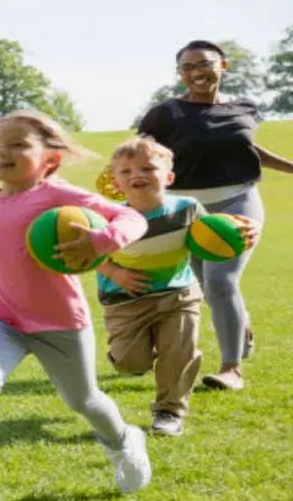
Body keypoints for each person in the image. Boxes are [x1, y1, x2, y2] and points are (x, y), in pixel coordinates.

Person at [0, 111, 151, 501]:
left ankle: (124, 442)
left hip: (60, 322)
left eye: (19, 144)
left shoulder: (60, 196)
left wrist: (104, 240)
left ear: (50, 160)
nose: (2, 152)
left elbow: (132, 216)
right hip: (4, 319)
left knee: (84, 400)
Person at [137, 39, 293, 391]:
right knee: (209, 286)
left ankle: (231, 369)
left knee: (222, 282)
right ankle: (241, 328)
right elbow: (141, 152)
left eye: (204, 64)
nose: (196, 73)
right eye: (187, 68)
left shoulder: (245, 107)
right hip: (185, 210)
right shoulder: (165, 114)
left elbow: (245, 147)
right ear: (179, 74)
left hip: (238, 199)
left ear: (223, 66)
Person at [95, 136, 260, 437]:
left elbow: (213, 236)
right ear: (116, 182)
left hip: (178, 292)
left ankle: (170, 411)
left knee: (180, 353)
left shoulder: (187, 208)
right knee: (132, 364)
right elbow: (90, 254)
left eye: (147, 168)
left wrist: (243, 229)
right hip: (125, 299)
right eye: (127, 171)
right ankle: (127, 355)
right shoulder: (110, 217)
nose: (137, 175)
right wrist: (115, 272)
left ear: (168, 177)